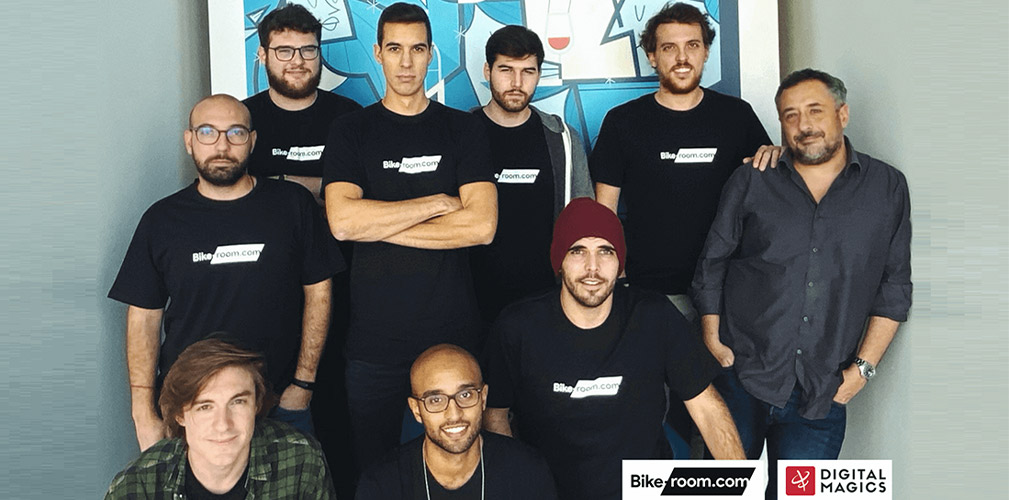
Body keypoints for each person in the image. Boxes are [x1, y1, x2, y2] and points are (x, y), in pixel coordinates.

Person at [691, 69, 912, 499]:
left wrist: (862, 371)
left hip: (822, 392)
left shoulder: (887, 188)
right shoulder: (752, 179)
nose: (804, 125)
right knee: (718, 494)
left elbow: (894, 286)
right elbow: (713, 262)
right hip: (741, 377)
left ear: (842, 114)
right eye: (790, 115)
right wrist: (713, 340)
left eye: (815, 111)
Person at [588, 0, 774, 453]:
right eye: (669, 47)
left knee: (731, 419)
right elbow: (603, 215)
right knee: (658, 418)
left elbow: (772, 198)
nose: (682, 57)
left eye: (692, 45)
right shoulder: (623, 123)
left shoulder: (737, 117)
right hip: (652, 295)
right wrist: (616, 286)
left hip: (729, 298)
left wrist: (776, 156)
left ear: (706, 51)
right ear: (652, 56)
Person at [109, 94, 345, 447]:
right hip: (191, 403)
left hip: (279, 402)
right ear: (189, 141)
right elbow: (143, 318)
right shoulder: (161, 220)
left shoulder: (292, 205)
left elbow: (319, 292)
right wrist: (142, 412)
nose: (222, 146)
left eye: (236, 132)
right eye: (208, 132)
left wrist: (303, 383)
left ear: (252, 140)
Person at [322, 2, 497, 468]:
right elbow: (343, 223)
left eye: (417, 49)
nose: (406, 62)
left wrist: (378, 225)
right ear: (377, 53)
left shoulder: (461, 128)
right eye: (395, 49)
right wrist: (437, 203)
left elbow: (481, 227)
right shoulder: (351, 130)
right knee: (374, 470)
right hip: (373, 344)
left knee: (459, 464)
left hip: (453, 336)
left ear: (430, 53)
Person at [482, 198, 744, 500]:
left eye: (605, 251)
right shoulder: (518, 327)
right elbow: (494, 416)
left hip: (643, 488)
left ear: (620, 263)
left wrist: (740, 487)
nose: (592, 268)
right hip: (552, 490)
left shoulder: (654, 316)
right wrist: (524, 487)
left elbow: (707, 408)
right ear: (559, 261)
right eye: (578, 251)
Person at [105, 338, 337, 499]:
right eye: (205, 407)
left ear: (256, 405)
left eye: (237, 402)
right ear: (180, 415)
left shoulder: (301, 462)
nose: (223, 425)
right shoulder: (137, 487)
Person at [470, 25, 593, 323]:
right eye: (506, 70)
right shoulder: (462, 134)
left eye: (528, 71)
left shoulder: (562, 138)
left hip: (546, 304)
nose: (516, 82)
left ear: (538, 74)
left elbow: (585, 221)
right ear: (487, 71)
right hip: (470, 302)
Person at [356, 344, 558, 499]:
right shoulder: (382, 485)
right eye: (436, 400)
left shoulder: (527, 470)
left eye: (465, 395)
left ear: (483, 398)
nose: (454, 414)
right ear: (416, 409)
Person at [244, 3, 362, 204]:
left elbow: (366, 192)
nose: (297, 61)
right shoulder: (243, 118)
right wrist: (327, 187)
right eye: (284, 51)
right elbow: (230, 192)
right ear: (262, 55)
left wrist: (278, 181)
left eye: (308, 50)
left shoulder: (351, 116)